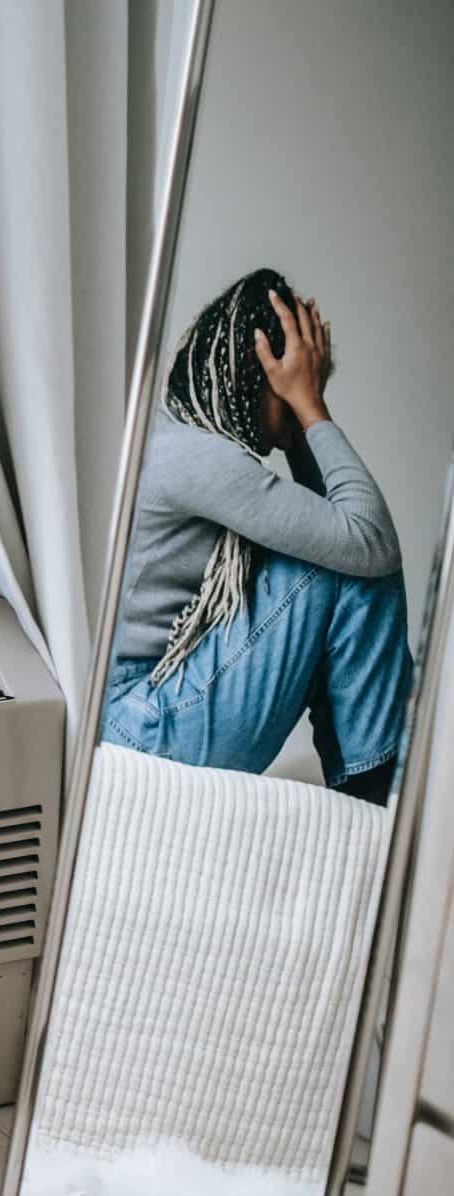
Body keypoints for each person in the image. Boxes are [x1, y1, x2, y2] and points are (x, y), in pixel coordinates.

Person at [102, 267, 410, 803]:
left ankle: (376, 786)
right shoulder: (199, 457)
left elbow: (345, 530)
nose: (304, 392)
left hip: (139, 714)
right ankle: (379, 790)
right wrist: (311, 409)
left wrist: (299, 429)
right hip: (140, 728)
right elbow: (368, 540)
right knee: (352, 565)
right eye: (297, 378)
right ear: (260, 371)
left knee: (348, 557)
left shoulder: (181, 435)